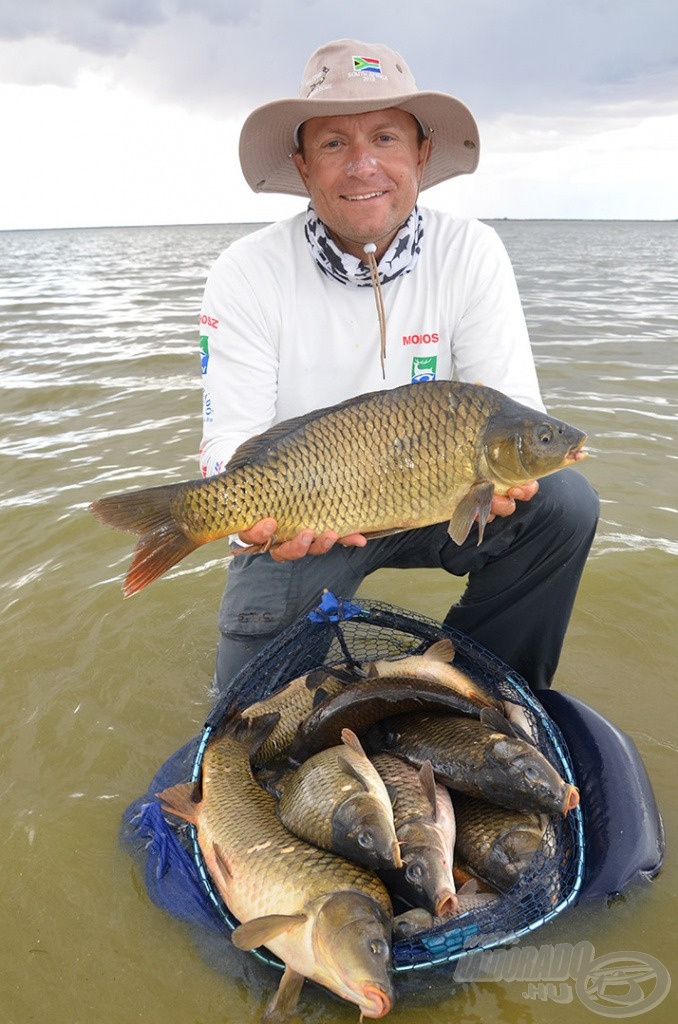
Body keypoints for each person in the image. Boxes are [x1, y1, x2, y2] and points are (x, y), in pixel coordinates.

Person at [198, 38, 599, 694]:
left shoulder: (472, 251)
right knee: (252, 720)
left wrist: (512, 479)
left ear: (421, 153)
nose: (362, 167)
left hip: (440, 498)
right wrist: (250, 520)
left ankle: (480, 694)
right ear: (302, 165)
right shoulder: (246, 272)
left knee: (563, 502)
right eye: (333, 144)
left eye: (384, 137)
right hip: (308, 511)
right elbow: (226, 444)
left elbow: (510, 409)